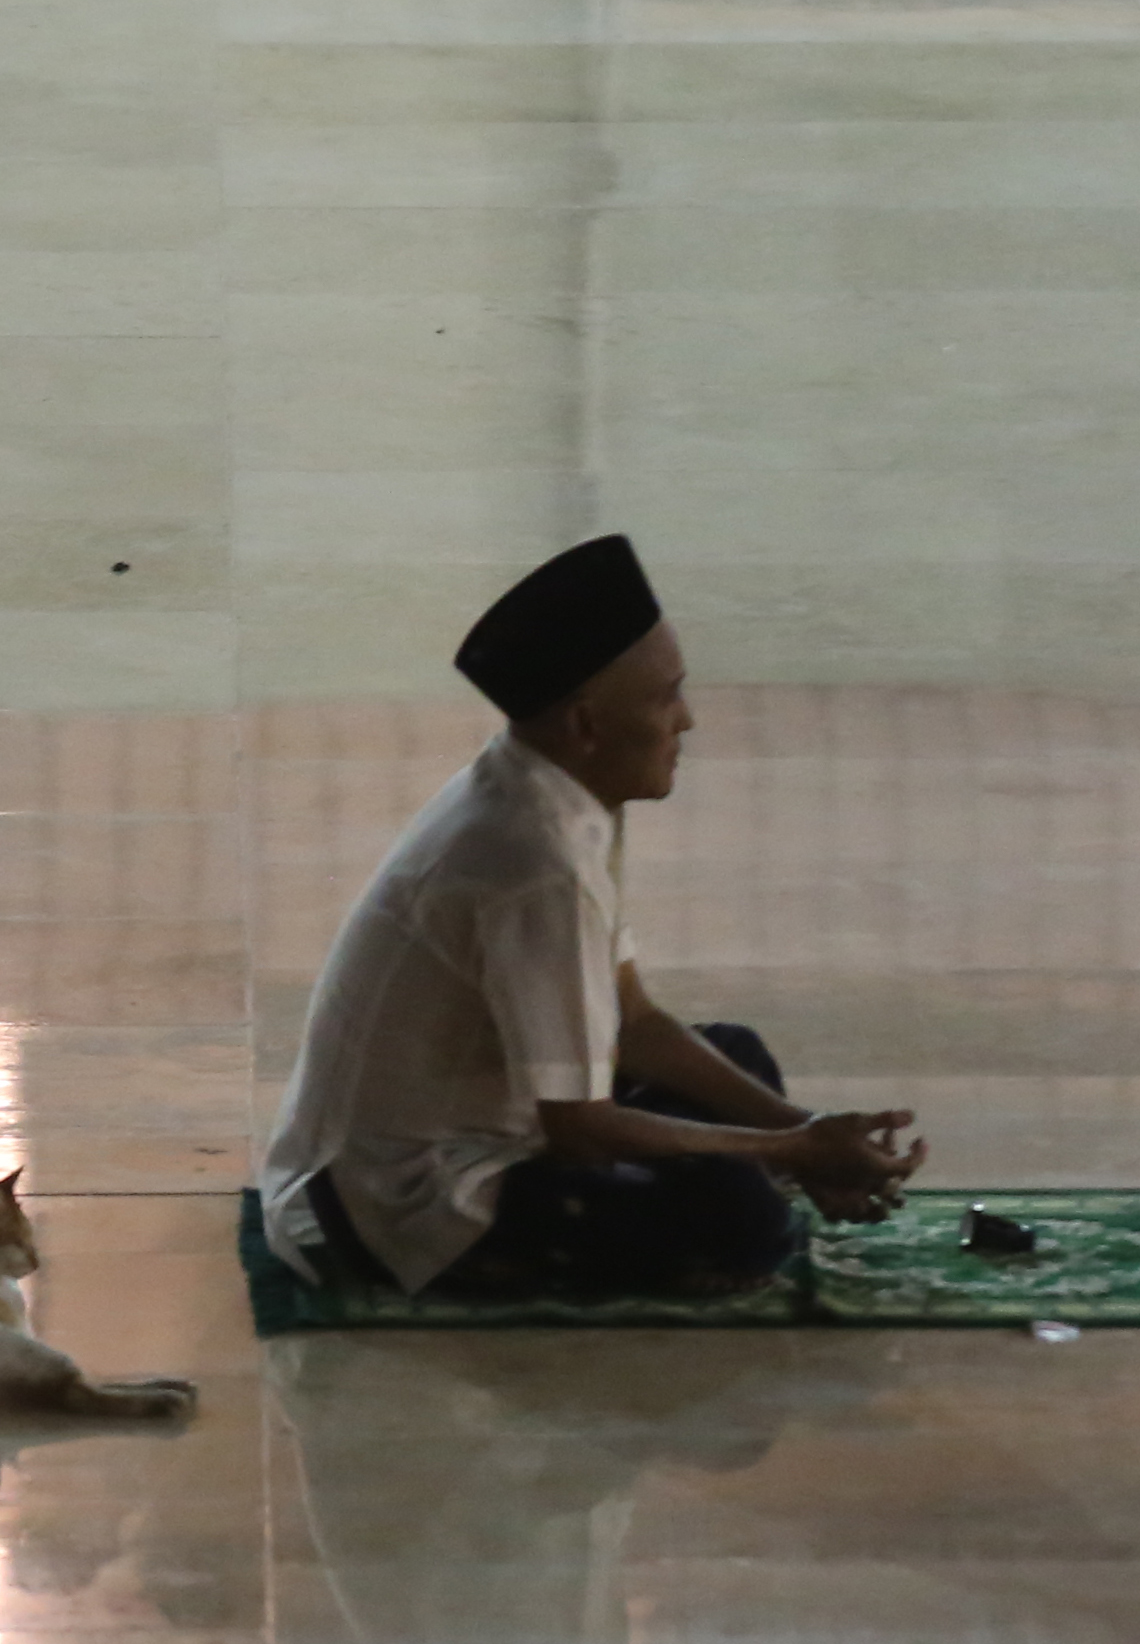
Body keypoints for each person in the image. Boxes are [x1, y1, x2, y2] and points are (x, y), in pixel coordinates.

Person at [260, 533, 926, 1299]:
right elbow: (579, 1124)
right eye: (665, 696)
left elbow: (633, 1021)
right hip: (394, 1210)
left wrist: (802, 1131)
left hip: (492, 1134)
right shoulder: (533, 859)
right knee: (738, 1227)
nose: (688, 720)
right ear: (587, 725)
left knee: (736, 1058)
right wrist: (787, 1150)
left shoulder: (553, 790)